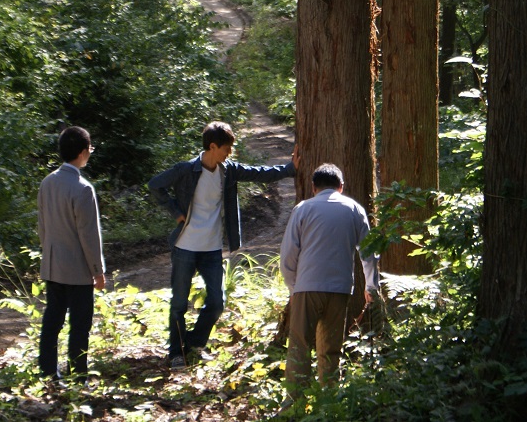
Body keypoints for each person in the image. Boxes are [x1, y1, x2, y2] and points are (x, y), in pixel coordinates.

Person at [149, 120, 299, 367]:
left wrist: (290, 169)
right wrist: (176, 212)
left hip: (211, 248)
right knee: (178, 304)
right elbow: (155, 185)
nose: (229, 153)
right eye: (226, 148)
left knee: (217, 302)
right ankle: (176, 353)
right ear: (212, 147)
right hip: (185, 246)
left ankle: (193, 344)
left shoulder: (227, 171)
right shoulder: (185, 170)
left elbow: (258, 172)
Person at [279, 162, 379, 389]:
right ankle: (330, 396)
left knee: (299, 347)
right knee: (331, 349)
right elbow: (369, 252)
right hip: (339, 288)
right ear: (341, 186)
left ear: (313, 187)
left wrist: (292, 287)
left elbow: (288, 255)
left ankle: (295, 399)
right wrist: (371, 286)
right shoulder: (354, 209)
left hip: (306, 287)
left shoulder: (303, 209)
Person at [37, 126, 106, 385]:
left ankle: (47, 372)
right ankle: (78, 376)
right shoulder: (83, 188)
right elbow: (89, 235)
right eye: (90, 149)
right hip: (78, 269)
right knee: (80, 324)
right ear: (83, 152)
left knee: (52, 321)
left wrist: (48, 253)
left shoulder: (47, 182)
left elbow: (42, 226)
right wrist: (97, 270)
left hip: (53, 264)